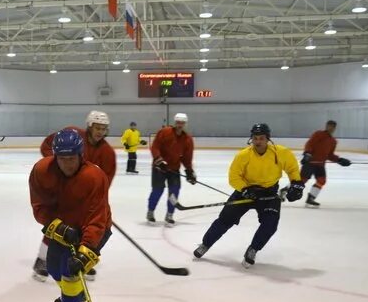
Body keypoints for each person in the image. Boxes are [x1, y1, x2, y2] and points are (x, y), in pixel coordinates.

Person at [29, 129, 111, 302]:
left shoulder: (94, 176)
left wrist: (85, 252)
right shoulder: (41, 171)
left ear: (81, 155)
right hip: (63, 228)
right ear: (55, 156)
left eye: (71, 158)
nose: (67, 164)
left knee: (71, 272)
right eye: (62, 158)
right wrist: (60, 227)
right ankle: (74, 295)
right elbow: (39, 208)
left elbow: (96, 220)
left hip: (93, 229)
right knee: (54, 269)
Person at [193, 123, 304, 267]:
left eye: (261, 138)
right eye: (255, 138)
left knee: (270, 224)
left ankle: (253, 249)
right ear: (251, 139)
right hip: (245, 192)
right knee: (225, 220)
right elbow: (234, 177)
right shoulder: (243, 155)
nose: (258, 141)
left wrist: (296, 184)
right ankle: (205, 244)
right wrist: (245, 189)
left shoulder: (281, 153)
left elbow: (292, 169)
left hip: (269, 193)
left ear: (268, 139)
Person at [33, 110, 115, 282]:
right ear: (89, 126)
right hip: (59, 190)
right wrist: (61, 164)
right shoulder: (71, 135)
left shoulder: (107, 153)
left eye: (103, 128)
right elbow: (47, 146)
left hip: (83, 195)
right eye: (97, 127)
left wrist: (95, 200)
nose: (100, 131)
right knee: (57, 225)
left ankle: (81, 258)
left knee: (88, 226)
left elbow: (104, 181)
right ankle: (42, 259)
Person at [146, 113, 196, 226]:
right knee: (157, 191)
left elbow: (187, 157)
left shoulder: (187, 139)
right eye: (178, 123)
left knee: (174, 191)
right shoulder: (164, 132)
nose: (180, 125)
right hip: (159, 168)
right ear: (175, 122)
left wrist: (189, 171)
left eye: (182, 123)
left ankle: (169, 214)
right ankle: (150, 211)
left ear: (185, 124)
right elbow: (155, 147)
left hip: (174, 170)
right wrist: (159, 160)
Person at [300, 120, 351, 207]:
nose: (330, 128)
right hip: (310, 162)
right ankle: (285, 191)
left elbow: (330, 155)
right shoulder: (318, 134)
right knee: (302, 180)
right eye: (329, 126)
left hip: (320, 165)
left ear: (334, 128)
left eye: (332, 127)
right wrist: (307, 154)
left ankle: (310, 198)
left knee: (321, 181)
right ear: (326, 126)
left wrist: (340, 160)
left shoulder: (333, 141)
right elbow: (309, 144)